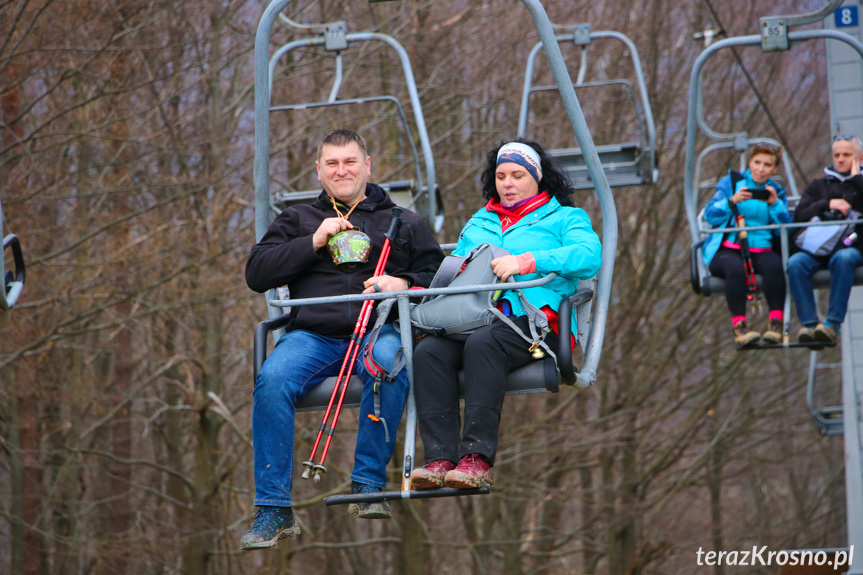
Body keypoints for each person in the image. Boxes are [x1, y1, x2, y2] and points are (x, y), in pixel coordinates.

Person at [241, 129, 444, 550]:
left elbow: (438, 279)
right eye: (332, 164)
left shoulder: (403, 222)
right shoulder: (297, 220)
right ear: (318, 171)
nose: (342, 170)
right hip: (312, 336)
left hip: (377, 331)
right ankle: (274, 508)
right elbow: (257, 274)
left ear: (368, 165)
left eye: (350, 162)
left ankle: (368, 483)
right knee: (273, 379)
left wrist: (401, 282)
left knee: (388, 363)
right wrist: (312, 242)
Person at [408, 140, 601, 489]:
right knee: (429, 352)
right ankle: (439, 458)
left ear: (538, 179)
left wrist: (530, 261)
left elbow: (589, 255)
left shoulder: (564, 218)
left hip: (537, 323)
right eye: (500, 176)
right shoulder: (480, 222)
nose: (507, 183)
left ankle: (476, 458)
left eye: (517, 175)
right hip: (477, 315)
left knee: (486, 343)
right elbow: (459, 272)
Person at [702, 144, 791, 346]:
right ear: (750, 163)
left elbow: (785, 228)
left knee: (774, 266)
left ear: (774, 169)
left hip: (762, 249)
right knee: (735, 270)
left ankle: (776, 323)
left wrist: (775, 204)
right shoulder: (731, 183)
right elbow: (710, 215)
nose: (760, 169)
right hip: (729, 248)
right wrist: (732, 201)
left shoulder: (776, 192)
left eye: (767, 165)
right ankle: (740, 326)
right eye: (757, 163)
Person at [788, 135, 863, 344]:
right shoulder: (818, 186)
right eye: (836, 155)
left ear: (860, 158)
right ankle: (809, 325)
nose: (840, 159)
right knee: (795, 263)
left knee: (843, 259)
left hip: (851, 247)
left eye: (846, 155)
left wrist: (857, 181)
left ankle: (832, 323)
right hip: (817, 248)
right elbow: (800, 216)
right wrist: (827, 205)